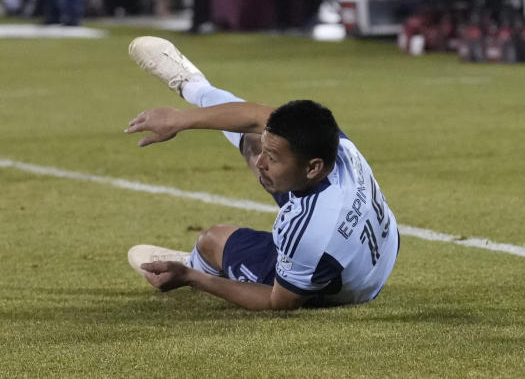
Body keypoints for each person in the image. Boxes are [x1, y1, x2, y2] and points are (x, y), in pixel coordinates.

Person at [124, 36, 398, 310]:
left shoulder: (310, 231)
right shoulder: (335, 144)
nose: (260, 164)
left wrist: (192, 278)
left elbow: (278, 302)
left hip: (349, 285)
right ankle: (192, 82)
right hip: (375, 249)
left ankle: (199, 262)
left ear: (313, 167)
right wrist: (180, 118)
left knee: (212, 240)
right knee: (254, 139)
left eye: (274, 159)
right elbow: (256, 117)